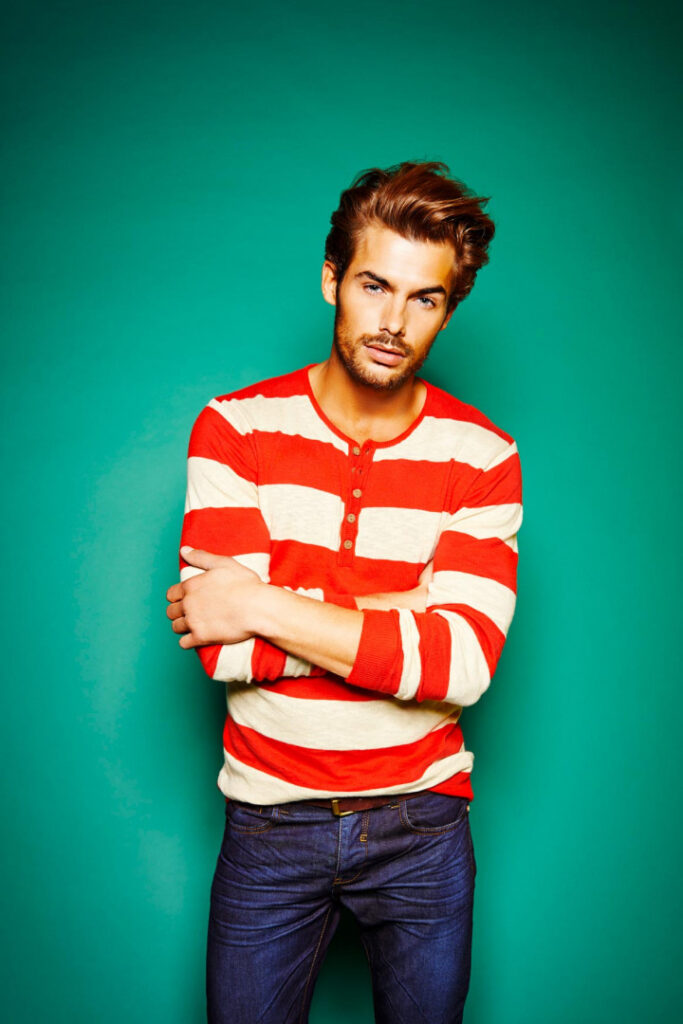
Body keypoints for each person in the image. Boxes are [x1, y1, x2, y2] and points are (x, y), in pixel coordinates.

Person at [165, 160, 523, 1024]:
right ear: (332, 278)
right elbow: (226, 651)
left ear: (447, 309)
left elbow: (461, 665)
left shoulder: (483, 457)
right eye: (373, 286)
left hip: (422, 828)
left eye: (424, 298)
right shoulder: (235, 429)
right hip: (267, 822)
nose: (393, 322)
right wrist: (404, 612)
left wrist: (263, 600)